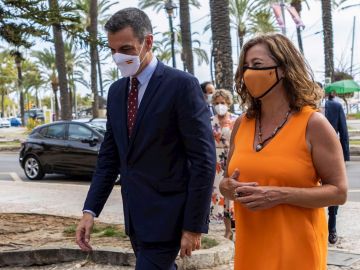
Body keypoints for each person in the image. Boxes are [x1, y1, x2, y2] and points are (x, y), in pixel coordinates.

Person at [75, 8, 216, 270]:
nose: (119, 57)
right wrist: (89, 211)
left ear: (147, 42)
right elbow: (110, 157)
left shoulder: (181, 86)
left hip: (170, 216)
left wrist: (194, 225)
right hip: (136, 219)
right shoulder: (117, 92)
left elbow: (203, 161)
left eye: (126, 48)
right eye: (113, 50)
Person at [219, 33, 348, 270]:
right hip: (251, 250)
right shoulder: (242, 123)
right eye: (245, 66)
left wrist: (279, 195)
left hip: (297, 252)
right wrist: (227, 187)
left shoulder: (313, 124)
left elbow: (339, 192)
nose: (249, 73)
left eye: (257, 65)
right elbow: (227, 182)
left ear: (284, 69)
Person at [209, 89, 237, 239]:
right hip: (216, 162)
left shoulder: (236, 119)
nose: (220, 105)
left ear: (228, 103)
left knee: (234, 193)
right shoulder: (210, 121)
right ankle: (227, 230)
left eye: (223, 103)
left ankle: (238, 227)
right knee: (221, 194)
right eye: (217, 103)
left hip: (233, 158)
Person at [325, 90, 350, 244]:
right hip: (305, 156)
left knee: (333, 190)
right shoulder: (299, 107)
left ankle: (332, 227)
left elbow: (344, 130)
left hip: (330, 156)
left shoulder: (334, 106)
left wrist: (345, 156)